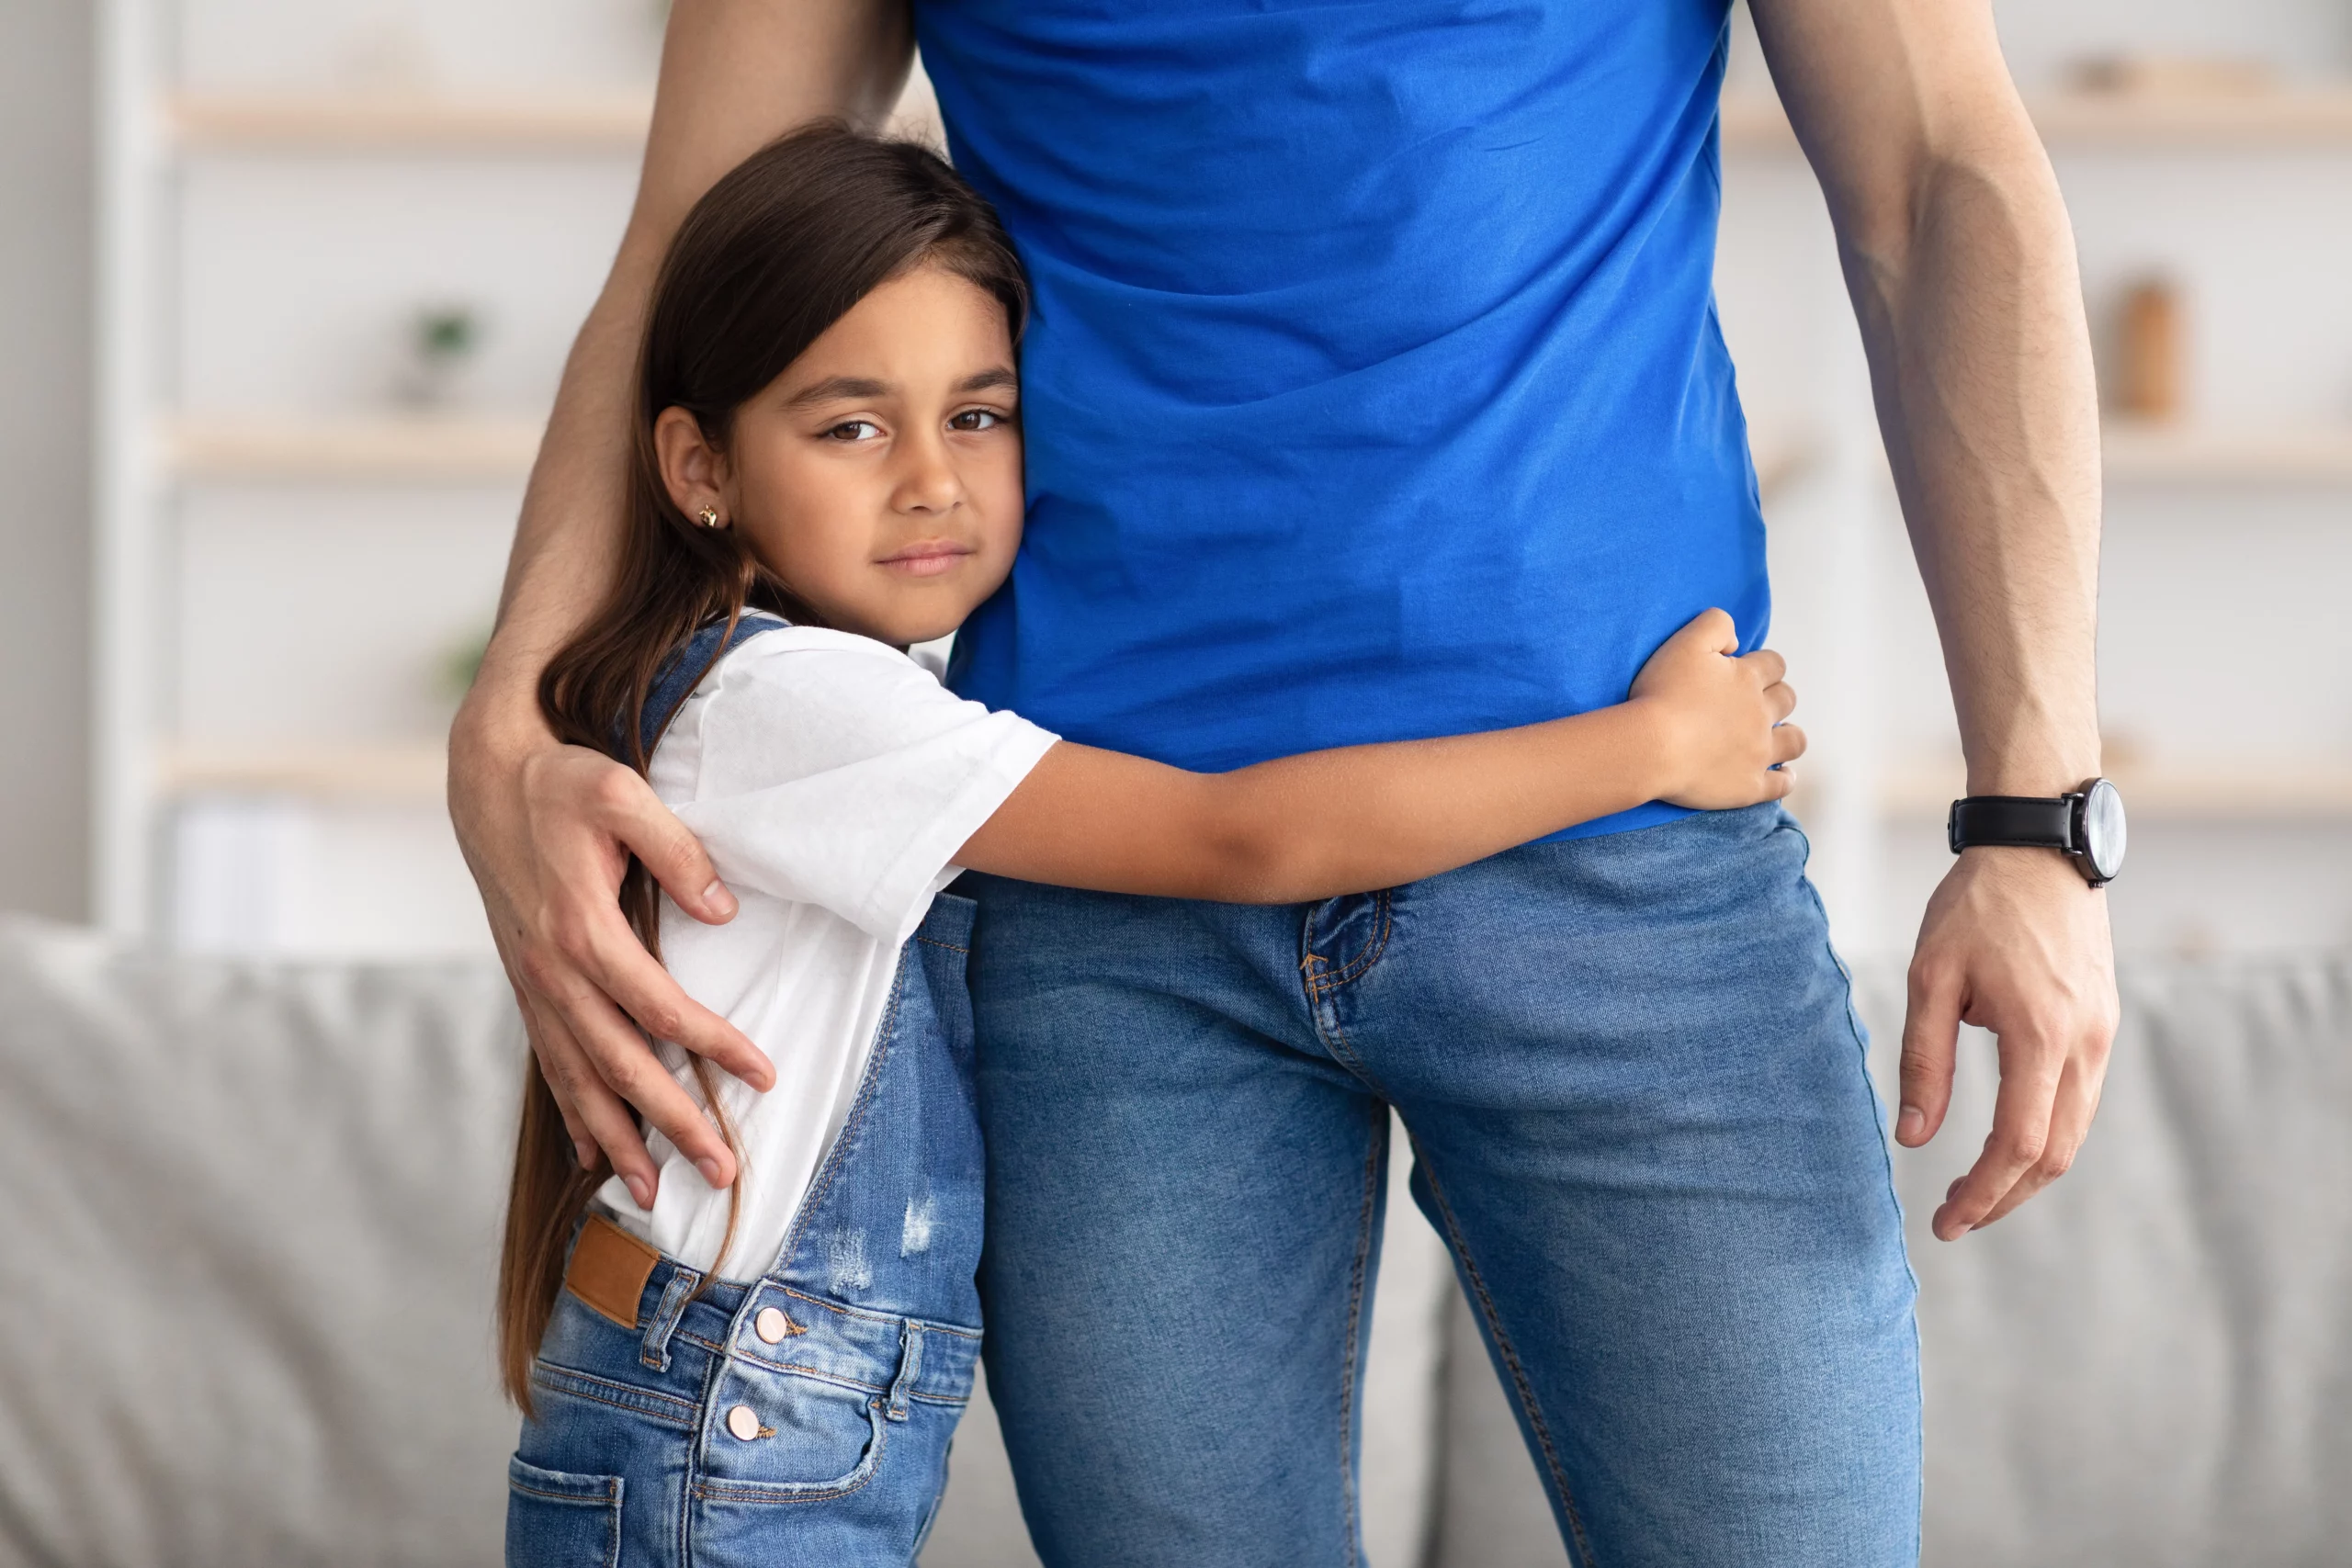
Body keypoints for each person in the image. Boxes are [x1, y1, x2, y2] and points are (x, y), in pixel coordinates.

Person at [451, 2, 2116, 1562]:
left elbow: (1936, 169)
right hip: (1106, 914)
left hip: (1632, 870)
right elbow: (701, 242)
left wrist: (2040, 815)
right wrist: (509, 733)